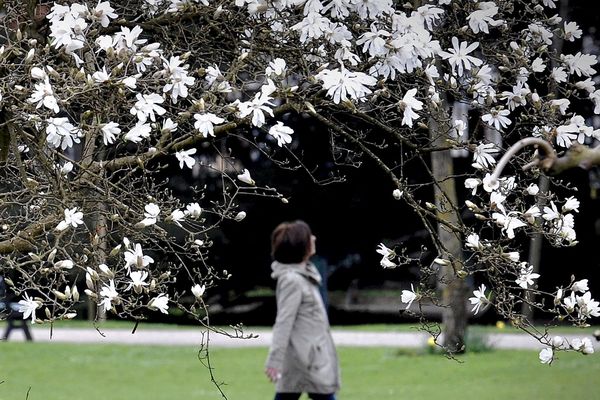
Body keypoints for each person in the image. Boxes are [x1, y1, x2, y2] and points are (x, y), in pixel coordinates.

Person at [265, 220, 340, 400]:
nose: (313, 238)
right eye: (309, 236)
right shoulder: (292, 280)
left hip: (310, 357)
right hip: (305, 360)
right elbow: (284, 321)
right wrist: (274, 360)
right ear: (301, 245)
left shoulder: (304, 275)